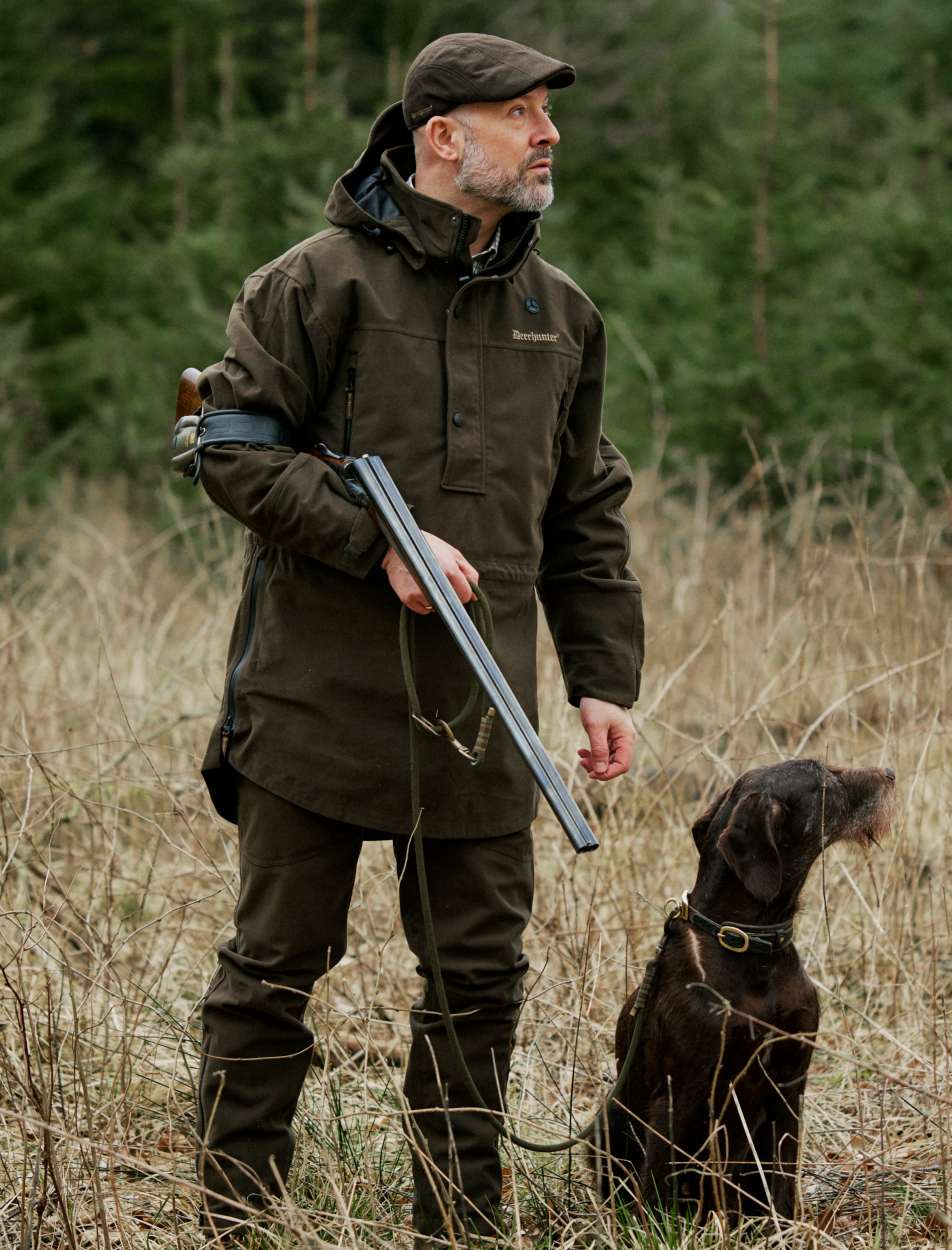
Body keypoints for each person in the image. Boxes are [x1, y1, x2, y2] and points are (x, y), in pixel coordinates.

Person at [192, 31, 644, 1244]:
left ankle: (458, 1225)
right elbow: (227, 449)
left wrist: (603, 679)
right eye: (522, 115)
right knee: (273, 972)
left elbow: (584, 508)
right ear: (442, 136)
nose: (548, 135)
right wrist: (369, 540)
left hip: (488, 709)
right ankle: (237, 1220)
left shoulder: (563, 313)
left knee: (479, 988)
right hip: (310, 702)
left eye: (550, 114)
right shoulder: (311, 283)